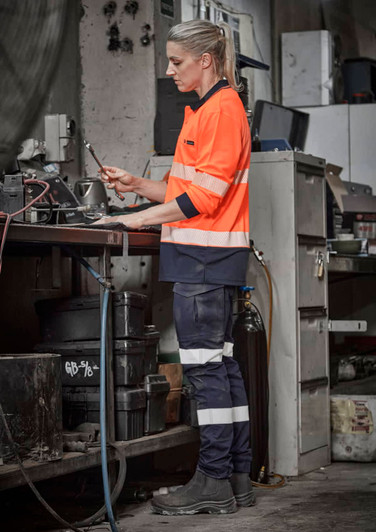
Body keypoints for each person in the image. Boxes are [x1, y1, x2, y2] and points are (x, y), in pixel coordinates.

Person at [95, 19, 255, 516]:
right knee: (220, 370)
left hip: (204, 262)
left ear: (206, 60)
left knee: (205, 374)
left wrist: (135, 219)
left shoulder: (224, 111)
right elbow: (182, 191)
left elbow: (204, 198)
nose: (169, 71)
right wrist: (137, 187)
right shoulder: (202, 110)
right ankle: (234, 477)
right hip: (205, 260)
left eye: (177, 62)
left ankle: (211, 480)